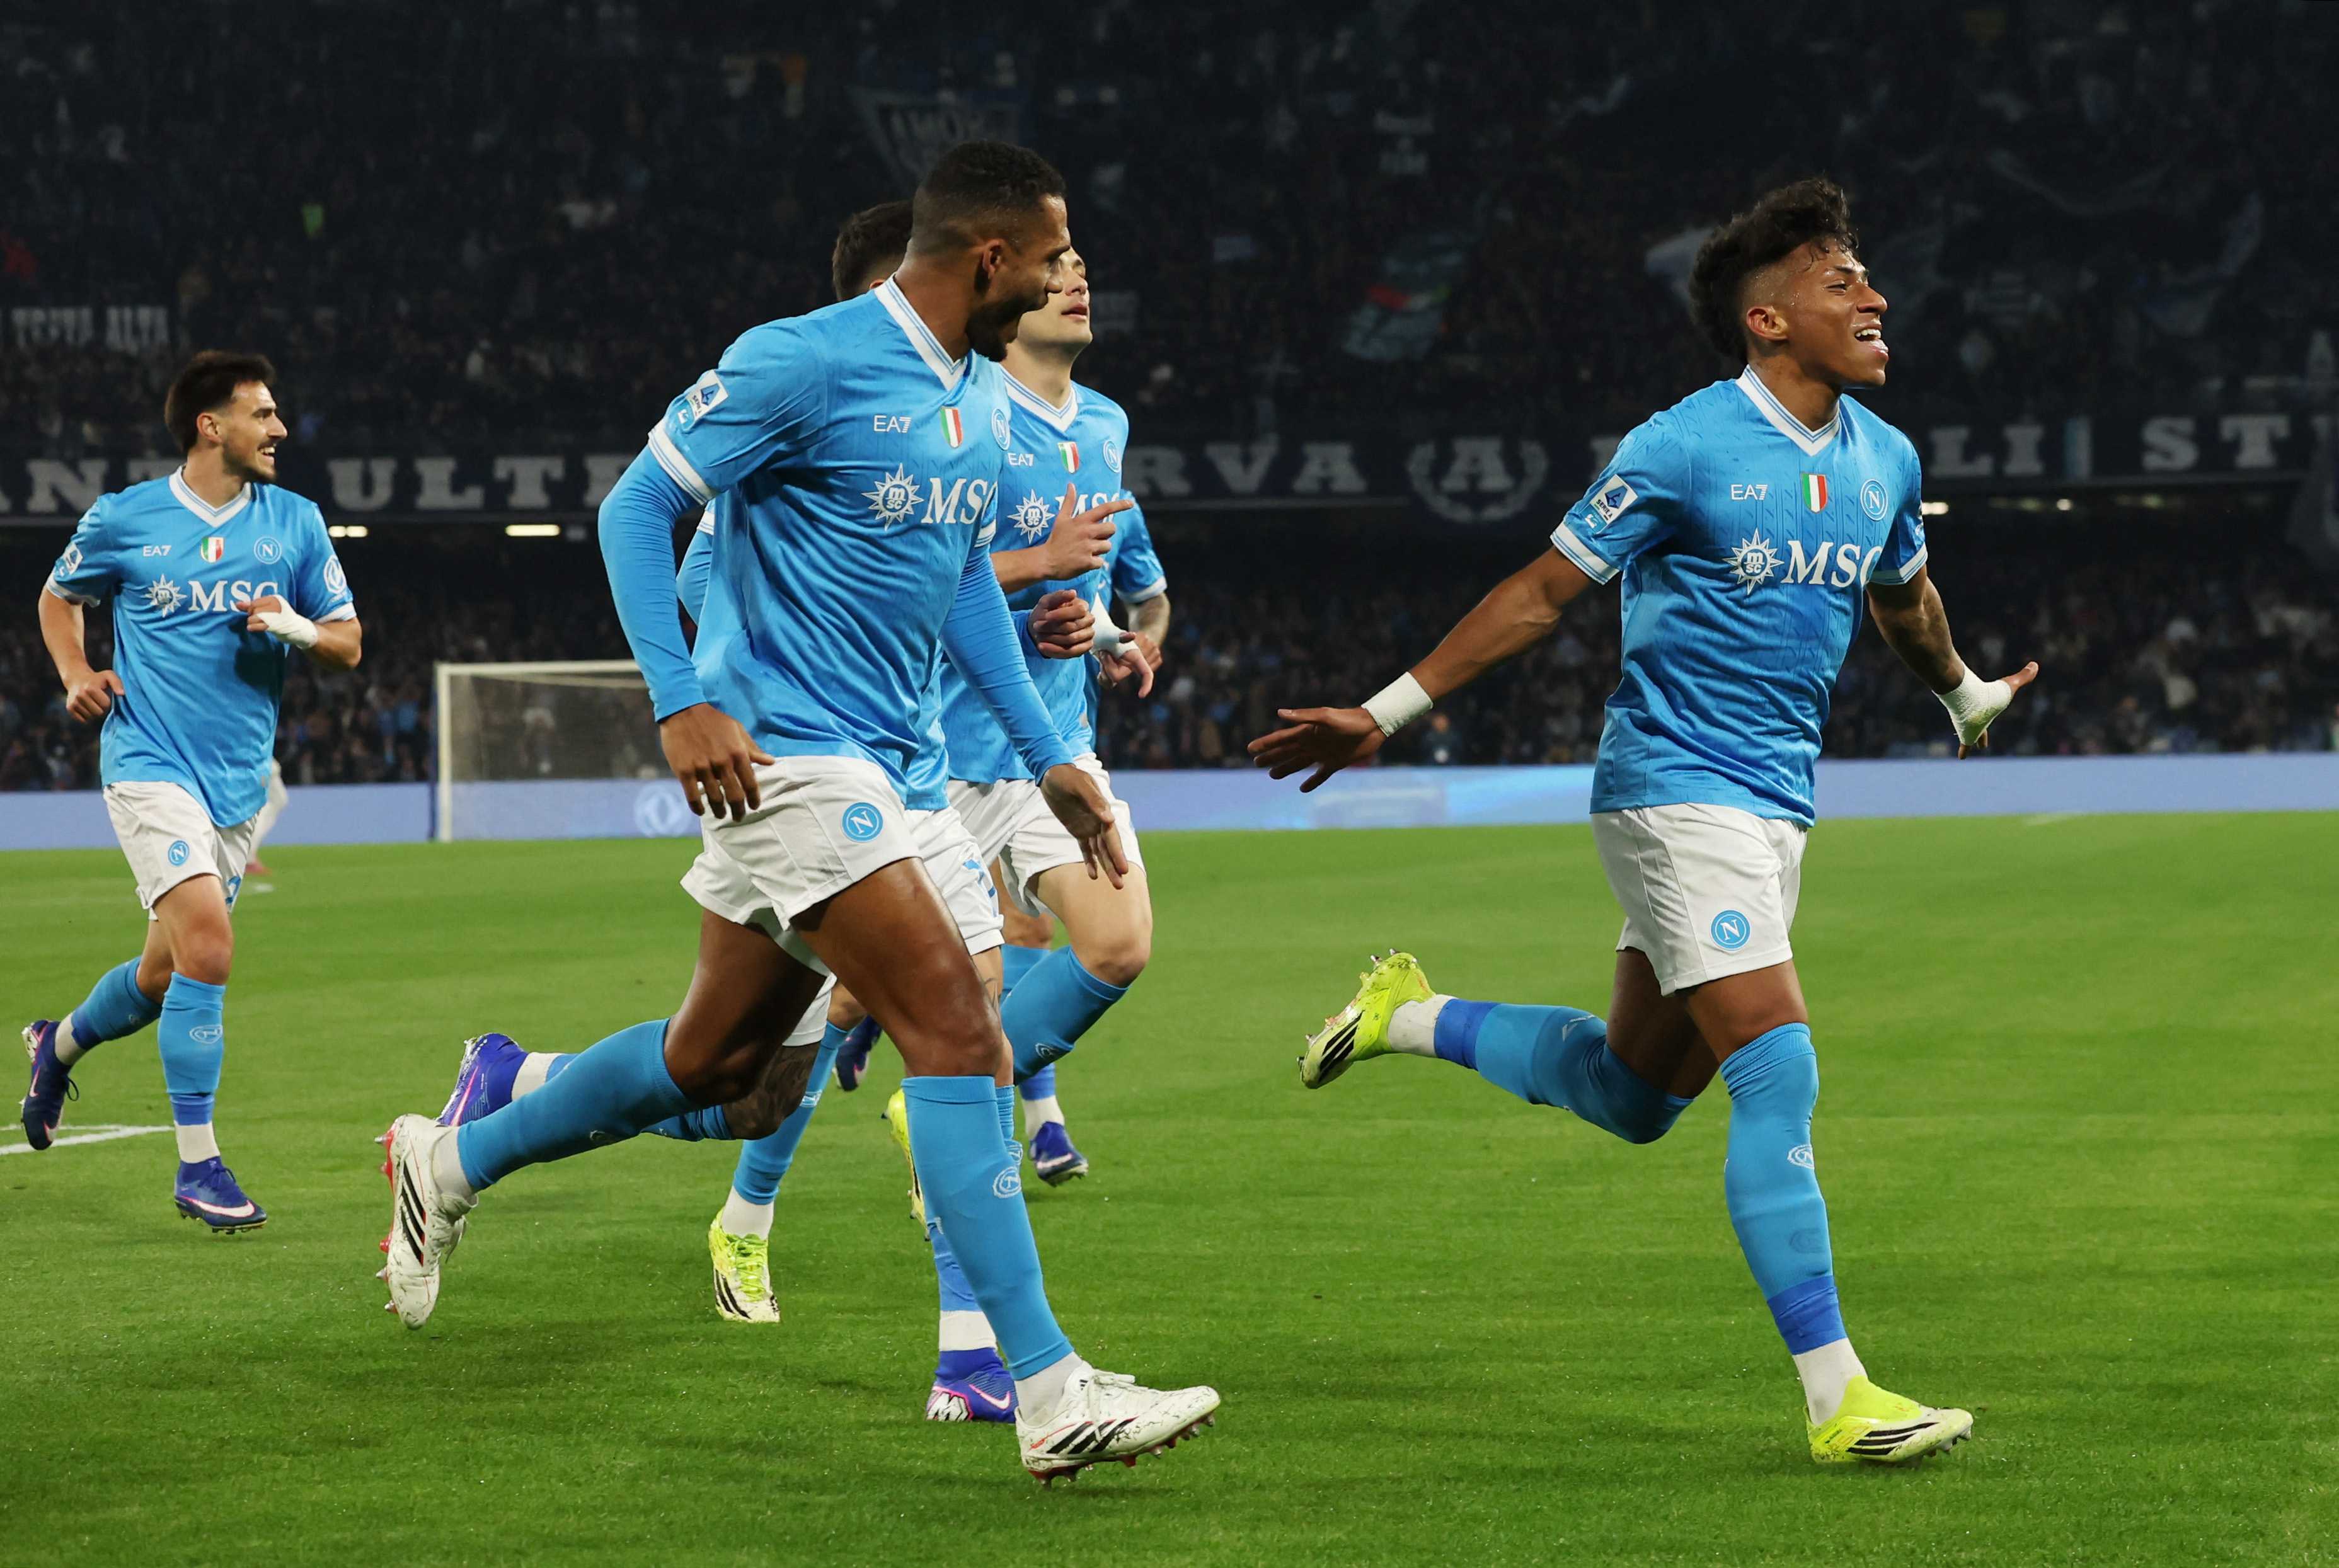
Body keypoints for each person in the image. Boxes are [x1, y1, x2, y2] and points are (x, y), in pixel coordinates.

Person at [376, 143, 1217, 1483]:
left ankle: (452, 1160)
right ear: (988, 257)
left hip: (900, 774)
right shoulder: (804, 360)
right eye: (1051, 253)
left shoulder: (976, 402)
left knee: (726, 1070)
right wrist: (677, 700)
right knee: (959, 1029)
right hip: (785, 759)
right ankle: (1043, 1387)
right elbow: (636, 509)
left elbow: (957, 583)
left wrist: (1048, 752)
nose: (1066, 274)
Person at [1248, 179, 2036, 1467]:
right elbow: (1540, 592)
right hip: (1673, 790)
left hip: (1773, 808)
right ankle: (1838, 1398)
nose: (1875, 297)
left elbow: (1902, 598)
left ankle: (1410, 1014)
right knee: (1777, 1069)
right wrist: (1384, 712)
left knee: (1632, 1096)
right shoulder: (1679, 446)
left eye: (1865, 276)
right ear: (1766, 320)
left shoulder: (1884, 459)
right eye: (1840, 281)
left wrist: (1961, 694)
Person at [21, 352, 362, 1232]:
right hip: (148, 763)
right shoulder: (124, 517)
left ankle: (57, 1045)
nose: (279, 429)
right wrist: (76, 674)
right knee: (208, 947)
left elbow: (348, 642)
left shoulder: (296, 522)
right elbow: (58, 599)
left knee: (163, 972)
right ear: (212, 426)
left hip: (236, 783)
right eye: (262, 414)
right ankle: (200, 1166)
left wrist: (295, 626)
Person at [940, 245, 1168, 1186]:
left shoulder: (1106, 423)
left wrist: (1111, 635)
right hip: (941, 750)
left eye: (1083, 267)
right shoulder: (963, 415)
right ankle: (747, 1209)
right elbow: (922, 576)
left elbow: (1126, 590)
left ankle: (962, 1100)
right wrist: (1034, 580)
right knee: (820, 1017)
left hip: (1055, 748)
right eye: (1056, 268)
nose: (1078, 281)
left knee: (1118, 943)